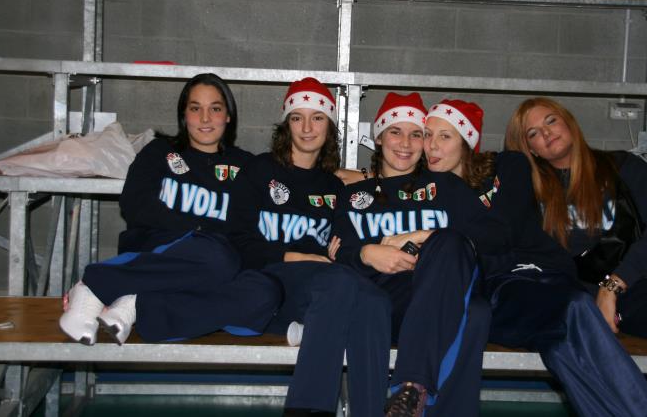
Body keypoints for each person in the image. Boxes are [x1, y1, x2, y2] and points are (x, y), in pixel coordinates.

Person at [422, 98, 647, 416]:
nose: (432, 146)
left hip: (547, 274)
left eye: (445, 136)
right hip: (501, 292)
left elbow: (503, 232)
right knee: (575, 306)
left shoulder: (508, 165)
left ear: (467, 142)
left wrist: (436, 232)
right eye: (427, 135)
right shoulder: (428, 190)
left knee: (562, 349)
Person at [505, 96, 647, 406]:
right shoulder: (531, 192)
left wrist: (614, 283)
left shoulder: (621, 166)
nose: (547, 133)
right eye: (533, 133)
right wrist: (602, 293)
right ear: (530, 149)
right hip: (618, 299)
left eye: (551, 121)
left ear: (569, 123)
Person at [59, 73, 280, 345]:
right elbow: (135, 205)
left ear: (228, 116)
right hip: (162, 250)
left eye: (215, 109)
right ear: (183, 115)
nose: (205, 118)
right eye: (195, 108)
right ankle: (96, 285)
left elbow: (253, 223)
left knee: (265, 292)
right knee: (217, 256)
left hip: (215, 269)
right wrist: (199, 231)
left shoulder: (246, 165)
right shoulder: (159, 152)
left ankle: (140, 306)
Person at [230, 77, 390, 417]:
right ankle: (307, 409)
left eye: (317, 118)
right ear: (286, 125)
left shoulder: (334, 187)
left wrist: (368, 176)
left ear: (329, 126)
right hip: (267, 282)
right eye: (297, 117)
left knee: (375, 300)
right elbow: (239, 242)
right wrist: (300, 256)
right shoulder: (258, 170)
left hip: (318, 291)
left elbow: (342, 244)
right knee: (340, 281)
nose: (306, 127)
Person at [332, 92, 493, 417]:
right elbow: (338, 251)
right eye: (395, 131)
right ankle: (414, 389)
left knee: (471, 297)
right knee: (472, 313)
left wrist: (427, 238)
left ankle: (410, 389)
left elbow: (485, 239)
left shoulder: (446, 186)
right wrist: (367, 253)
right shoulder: (354, 195)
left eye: (416, 134)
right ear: (378, 138)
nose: (405, 143)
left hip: (440, 295)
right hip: (386, 302)